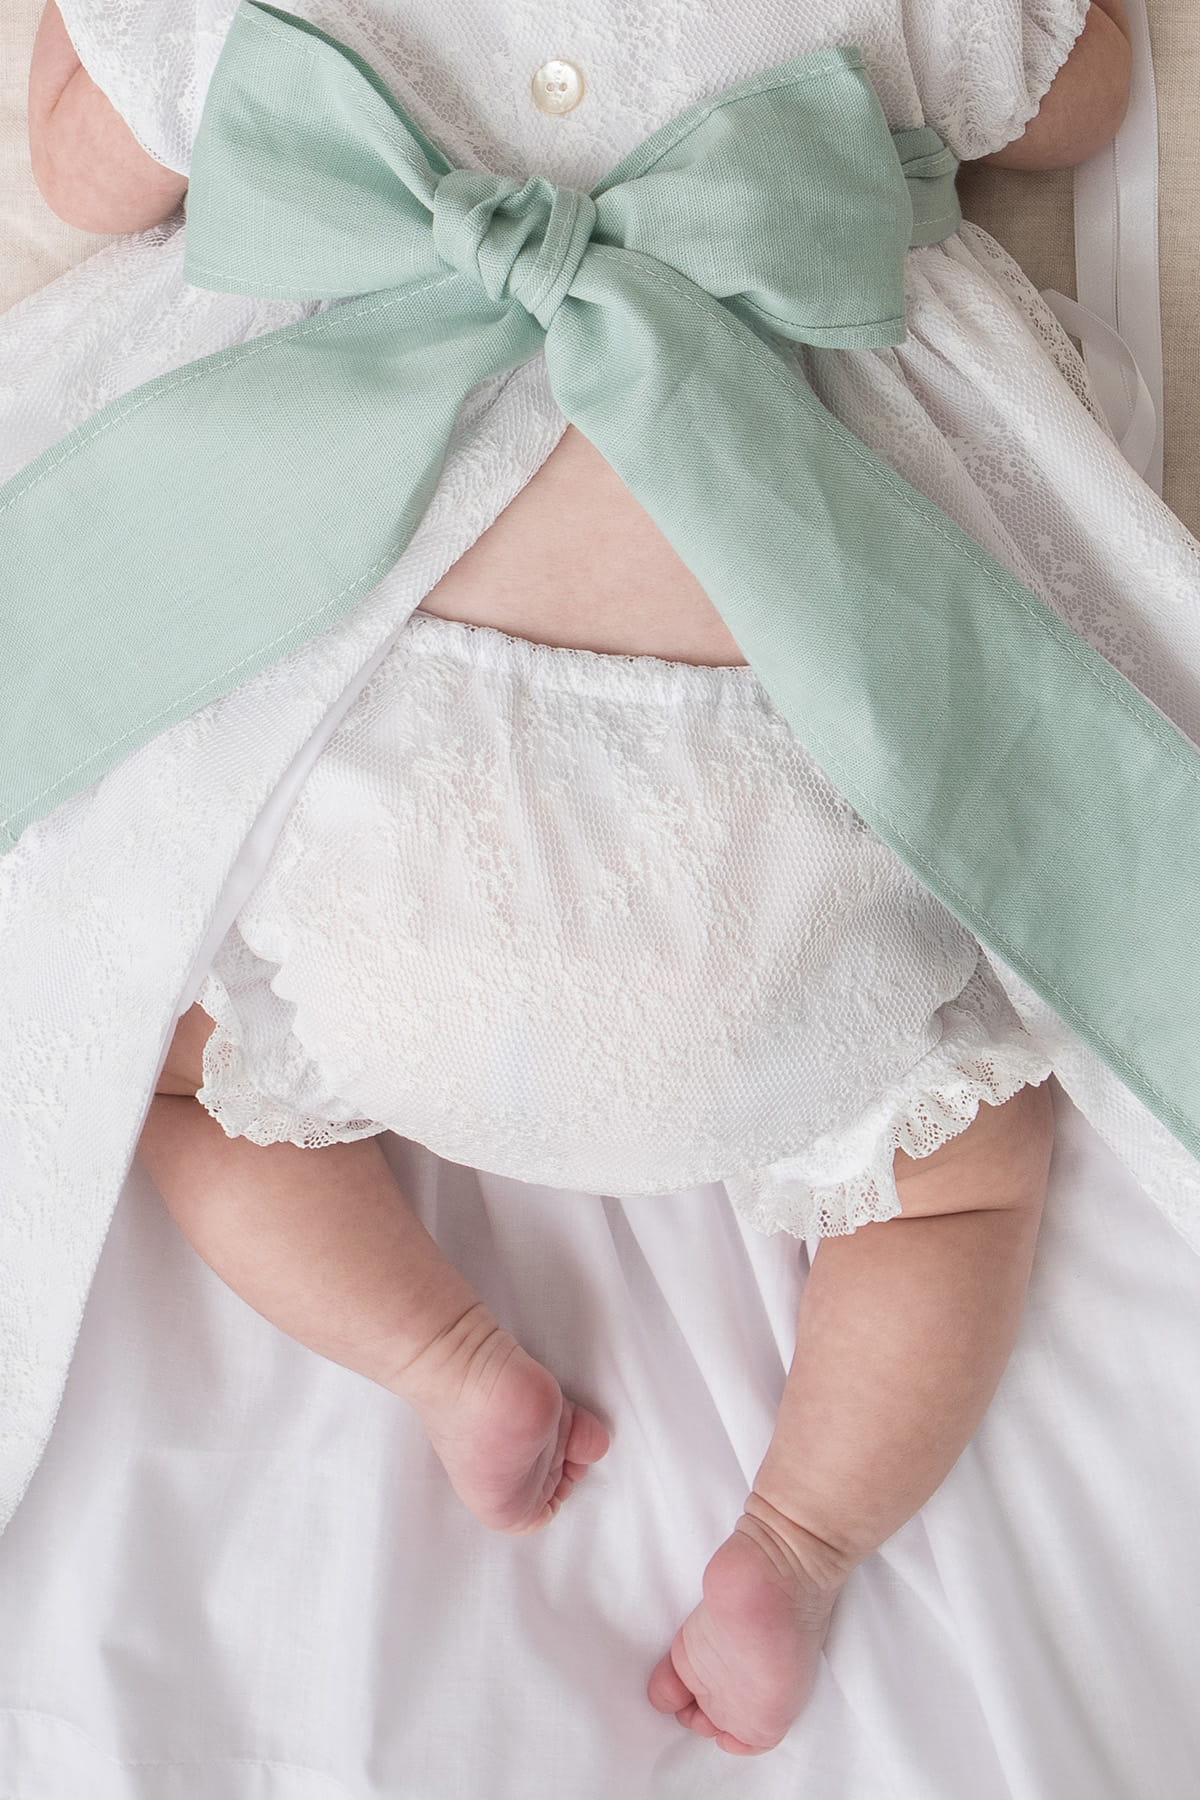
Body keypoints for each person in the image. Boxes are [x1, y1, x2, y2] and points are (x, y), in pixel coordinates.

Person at [9, 0, 1191, 1771]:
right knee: (963, 1184)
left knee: (188, 1086)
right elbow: (1087, 99)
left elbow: (76, 172)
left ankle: (449, 1361)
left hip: (386, 870)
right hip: (781, 831)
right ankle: (796, 1544)